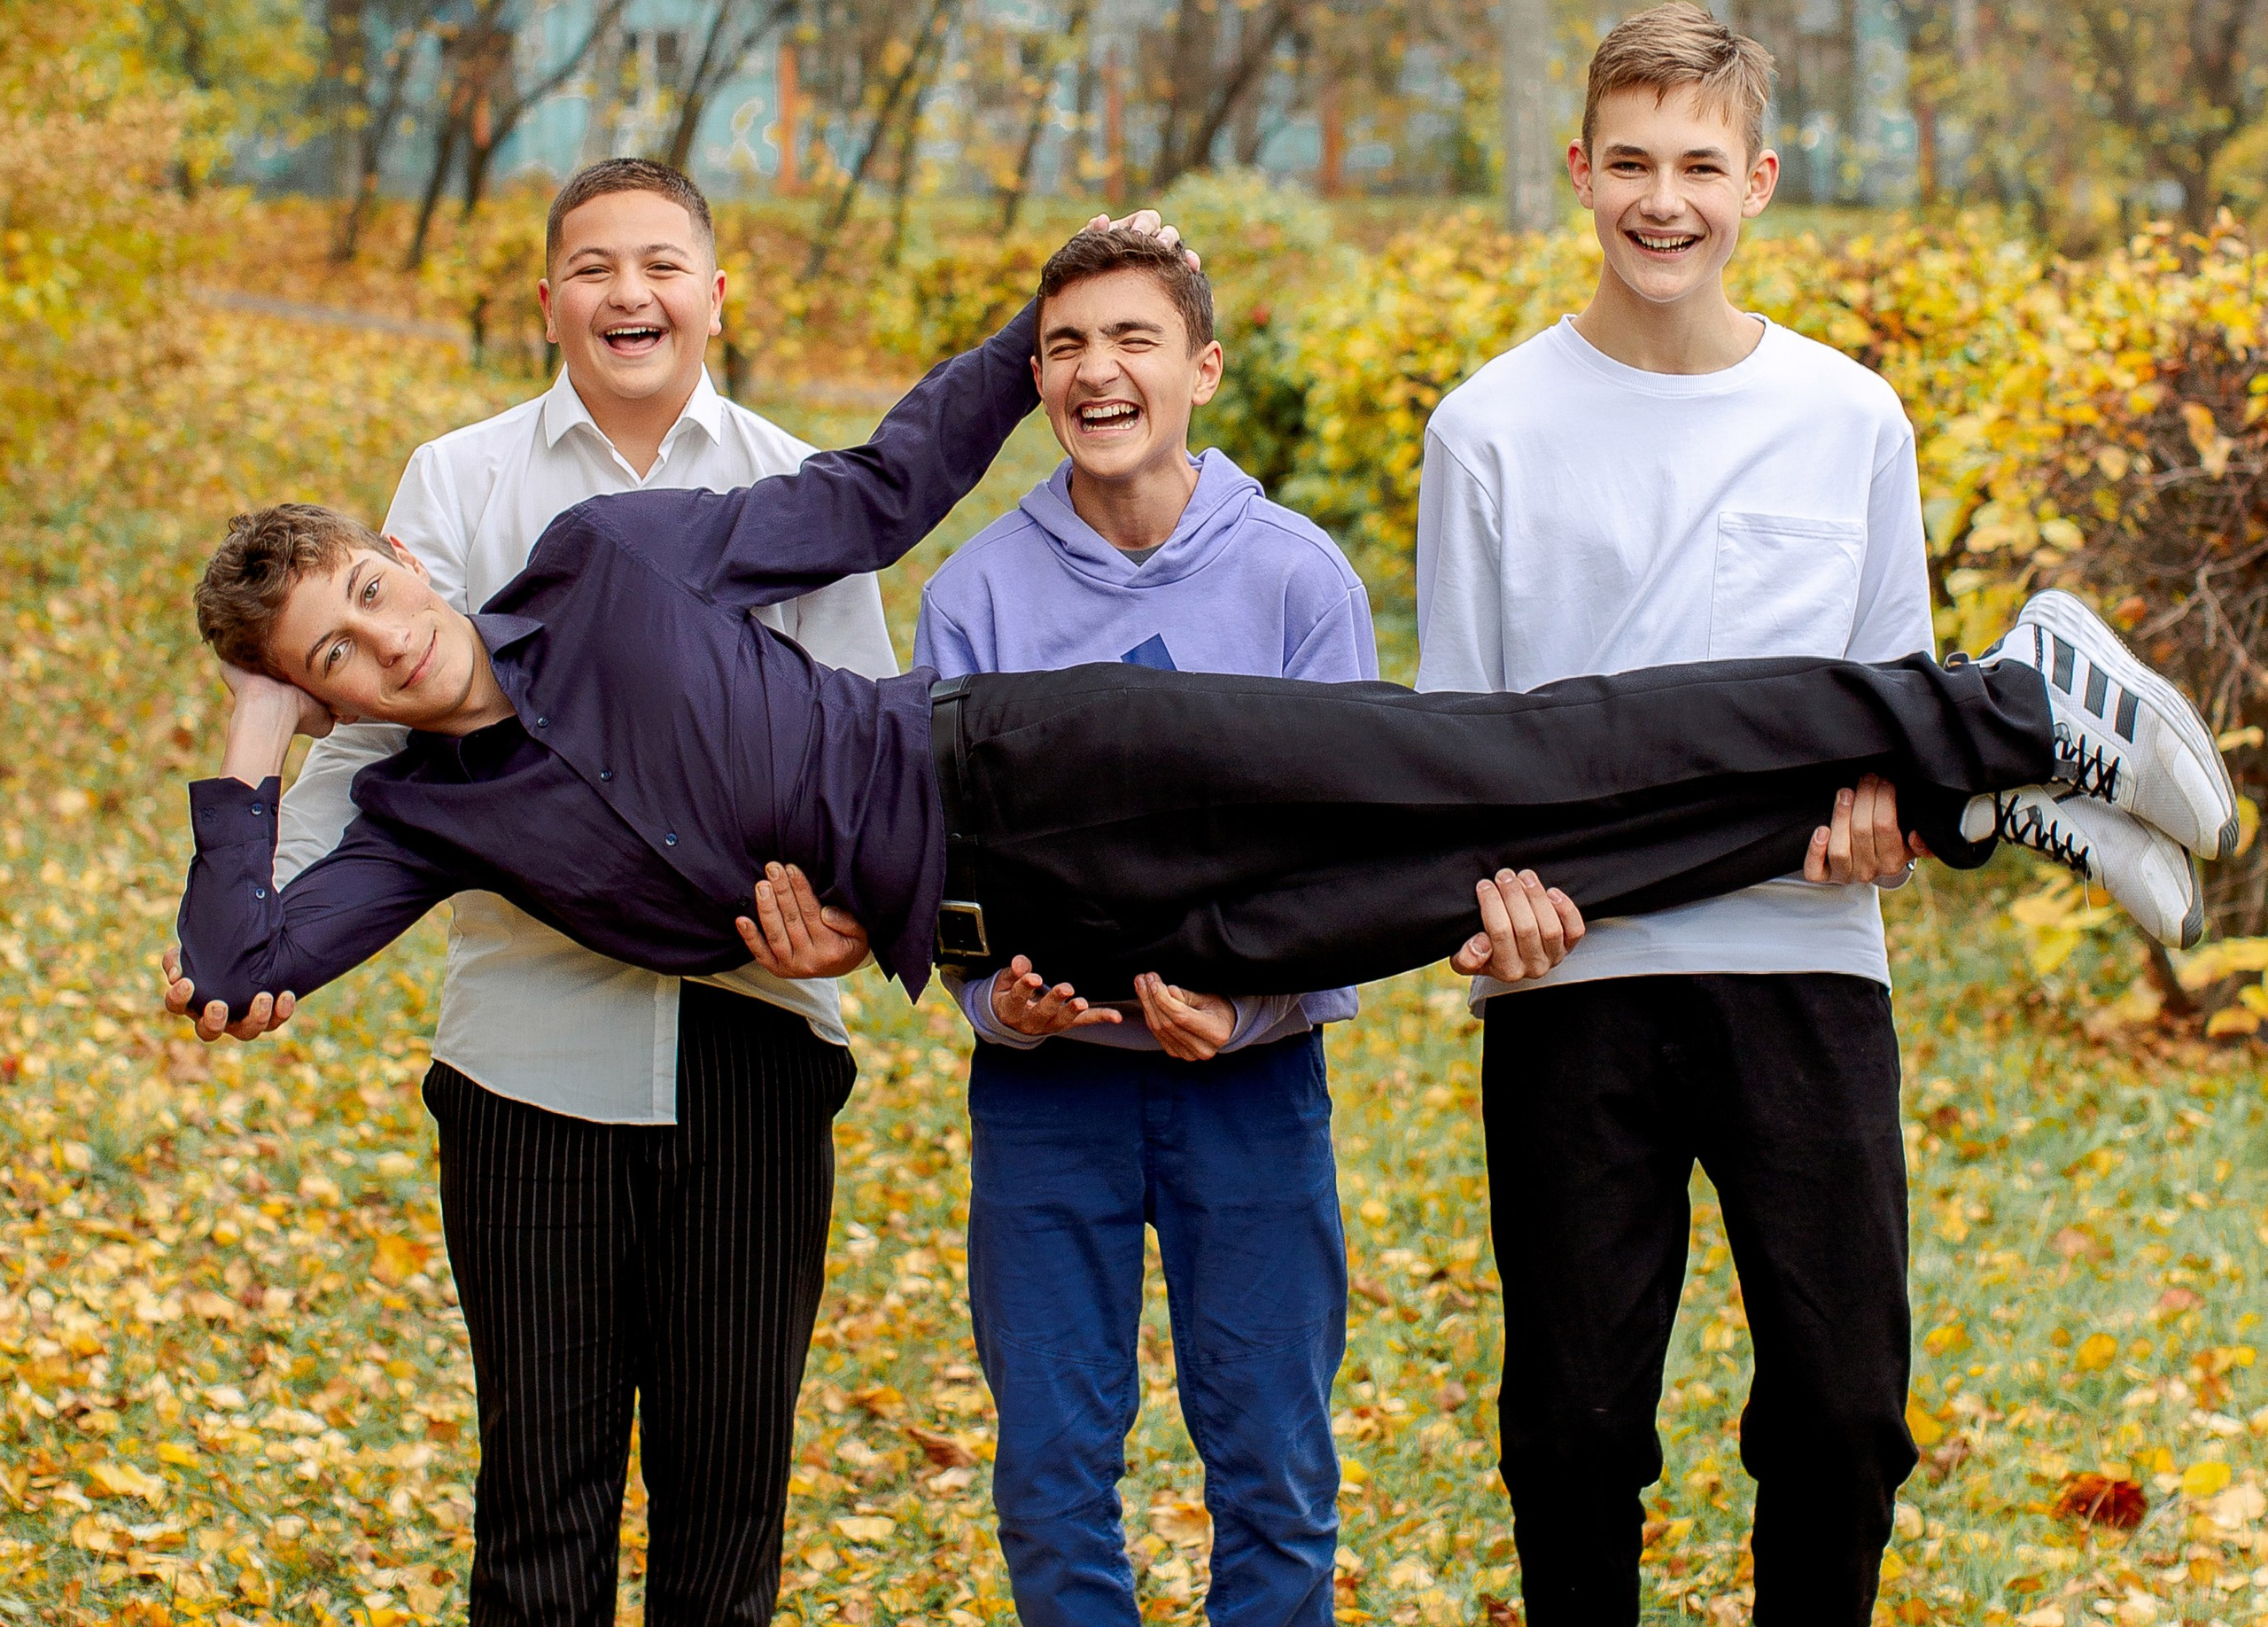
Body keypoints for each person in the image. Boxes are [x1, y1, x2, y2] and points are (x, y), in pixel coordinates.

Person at [172, 270, 2224, 1094]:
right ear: (327, 699)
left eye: (363, 591)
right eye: (327, 658)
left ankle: (1999, 705)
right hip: (1039, 932)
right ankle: (1964, 808)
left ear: (406, 552)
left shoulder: (603, 566)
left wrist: (1042, 307)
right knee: (1485, 878)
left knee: (1511, 754)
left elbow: (882, 497)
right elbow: (241, 967)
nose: (375, 637)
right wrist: (249, 747)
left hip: (1050, 760)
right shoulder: (427, 825)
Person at [1413, 3, 2230, 1627]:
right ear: (1581, 174)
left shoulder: (1844, 414)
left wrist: (1889, 814)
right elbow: (1467, 749)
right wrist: (1497, 908)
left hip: (1801, 963)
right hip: (1583, 981)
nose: (1662, 198)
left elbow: (1863, 703)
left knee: (1845, 1404)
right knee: (1572, 1416)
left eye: (1700, 163)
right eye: (1629, 160)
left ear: (1755, 183)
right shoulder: (1487, 425)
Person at [165, 160, 898, 1627]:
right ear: (549, 300)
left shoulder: (778, 480)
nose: (627, 291)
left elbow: (871, 753)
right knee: (547, 1441)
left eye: (661, 262)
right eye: (591, 268)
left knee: (729, 1436)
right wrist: (266, 751)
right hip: (524, 1057)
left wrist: (855, 930)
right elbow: (373, 760)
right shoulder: (457, 486)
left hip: (746, 1031)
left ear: (714, 292)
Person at [913, 219, 1371, 1627]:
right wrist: (991, 999)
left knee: (1265, 1448)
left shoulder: (1294, 581)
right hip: (1048, 1097)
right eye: (1061, 347)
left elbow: (1362, 847)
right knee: (1051, 1458)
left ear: (1199, 367)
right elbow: (932, 848)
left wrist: (1250, 1009)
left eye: (1129, 338)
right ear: (1033, 381)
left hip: (1248, 1089)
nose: (1095, 372)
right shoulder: (975, 593)